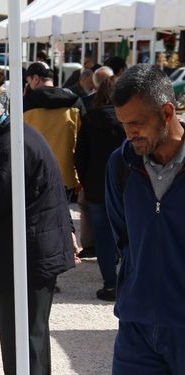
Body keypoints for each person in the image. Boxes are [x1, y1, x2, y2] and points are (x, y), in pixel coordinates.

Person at [0, 87, 78, 375]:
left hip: (25, 255)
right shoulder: (11, 138)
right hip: (24, 251)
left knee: (24, 342)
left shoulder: (11, 143)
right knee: (25, 340)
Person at [105, 64, 185, 373]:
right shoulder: (121, 163)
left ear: (167, 112)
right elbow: (122, 238)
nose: (128, 132)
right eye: (123, 123)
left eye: (136, 123)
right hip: (135, 329)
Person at [74, 73, 125, 301]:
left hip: (96, 186)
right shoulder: (129, 120)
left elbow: (80, 155)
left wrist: (84, 180)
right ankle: (128, 282)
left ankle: (111, 284)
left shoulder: (91, 118)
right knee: (129, 235)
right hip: (127, 185)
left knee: (103, 237)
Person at [24, 61, 84, 200]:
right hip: (66, 173)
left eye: (28, 81)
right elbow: (83, 140)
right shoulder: (75, 102)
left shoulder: (25, 104)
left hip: (35, 172)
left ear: (36, 79)